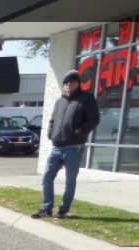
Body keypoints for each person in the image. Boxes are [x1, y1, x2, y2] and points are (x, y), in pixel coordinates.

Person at [32, 70, 99, 219]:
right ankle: (47, 209)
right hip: (57, 148)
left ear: (78, 83)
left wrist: (80, 132)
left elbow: (94, 119)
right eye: (66, 82)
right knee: (47, 178)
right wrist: (50, 132)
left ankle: (63, 210)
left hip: (74, 148)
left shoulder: (86, 99)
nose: (68, 84)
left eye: (72, 81)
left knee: (70, 181)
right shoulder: (59, 102)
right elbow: (52, 120)